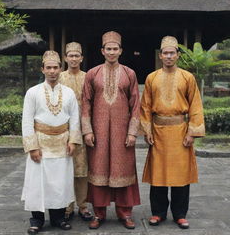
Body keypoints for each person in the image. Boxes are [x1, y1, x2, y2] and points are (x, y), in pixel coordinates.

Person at [140, 36, 205, 229]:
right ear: (160, 56)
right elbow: (145, 106)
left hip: (180, 131)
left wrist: (191, 132)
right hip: (158, 131)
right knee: (158, 174)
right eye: (165, 53)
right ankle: (158, 213)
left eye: (172, 53)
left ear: (177, 55)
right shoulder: (152, 77)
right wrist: (147, 130)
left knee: (180, 174)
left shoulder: (188, 77)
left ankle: (180, 214)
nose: (168, 56)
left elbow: (195, 106)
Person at [81, 31, 141, 230]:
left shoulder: (129, 73)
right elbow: (86, 103)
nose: (112, 52)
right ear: (102, 51)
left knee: (123, 169)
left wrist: (132, 132)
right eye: (109, 49)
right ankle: (99, 213)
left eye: (115, 49)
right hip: (98, 133)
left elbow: (136, 105)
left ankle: (125, 213)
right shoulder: (92, 73)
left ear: (121, 51)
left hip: (122, 133)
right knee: (98, 169)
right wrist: (87, 131)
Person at [21, 50, 82, 234]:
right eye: (49, 67)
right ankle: (37, 220)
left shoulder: (69, 93)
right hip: (41, 144)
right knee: (38, 184)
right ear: (43, 69)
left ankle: (58, 218)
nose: (53, 71)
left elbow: (75, 119)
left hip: (62, 144)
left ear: (60, 68)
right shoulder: (33, 92)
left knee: (60, 183)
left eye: (55, 67)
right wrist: (32, 147)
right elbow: (27, 121)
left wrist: (73, 141)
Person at [58, 42, 93, 221]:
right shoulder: (59, 77)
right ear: (65, 58)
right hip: (63, 129)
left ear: (81, 58)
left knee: (82, 169)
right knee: (65, 168)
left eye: (76, 56)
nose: (73, 59)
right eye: (70, 56)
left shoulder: (88, 77)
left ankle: (83, 205)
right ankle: (66, 206)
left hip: (83, 127)